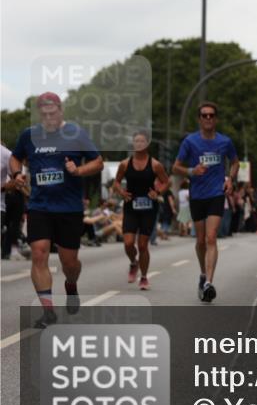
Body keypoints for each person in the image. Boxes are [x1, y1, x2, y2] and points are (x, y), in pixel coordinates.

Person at [9, 92, 104, 328]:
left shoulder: (76, 134)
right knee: (39, 254)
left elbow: (98, 162)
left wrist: (78, 171)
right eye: (45, 113)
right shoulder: (29, 135)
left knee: (69, 263)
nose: (49, 117)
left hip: (69, 208)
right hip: (40, 206)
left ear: (60, 110)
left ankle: (71, 285)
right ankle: (48, 311)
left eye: (53, 113)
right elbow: (15, 158)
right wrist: (16, 174)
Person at [172, 101, 240, 303]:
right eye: (204, 115)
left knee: (211, 238)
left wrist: (230, 179)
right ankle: (203, 274)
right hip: (197, 195)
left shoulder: (225, 142)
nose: (208, 118)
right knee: (200, 241)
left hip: (216, 194)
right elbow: (176, 167)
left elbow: (235, 162)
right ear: (199, 119)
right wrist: (192, 171)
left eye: (211, 115)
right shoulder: (190, 142)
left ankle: (209, 282)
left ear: (216, 119)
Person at [112, 131, 170, 290]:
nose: (139, 144)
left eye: (142, 141)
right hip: (131, 206)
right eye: (136, 141)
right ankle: (133, 263)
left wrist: (157, 193)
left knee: (143, 245)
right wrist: (121, 192)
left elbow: (167, 182)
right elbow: (116, 182)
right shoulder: (125, 164)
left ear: (147, 144)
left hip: (149, 208)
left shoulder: (155, 165)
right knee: (128, 243)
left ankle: (144, 277)